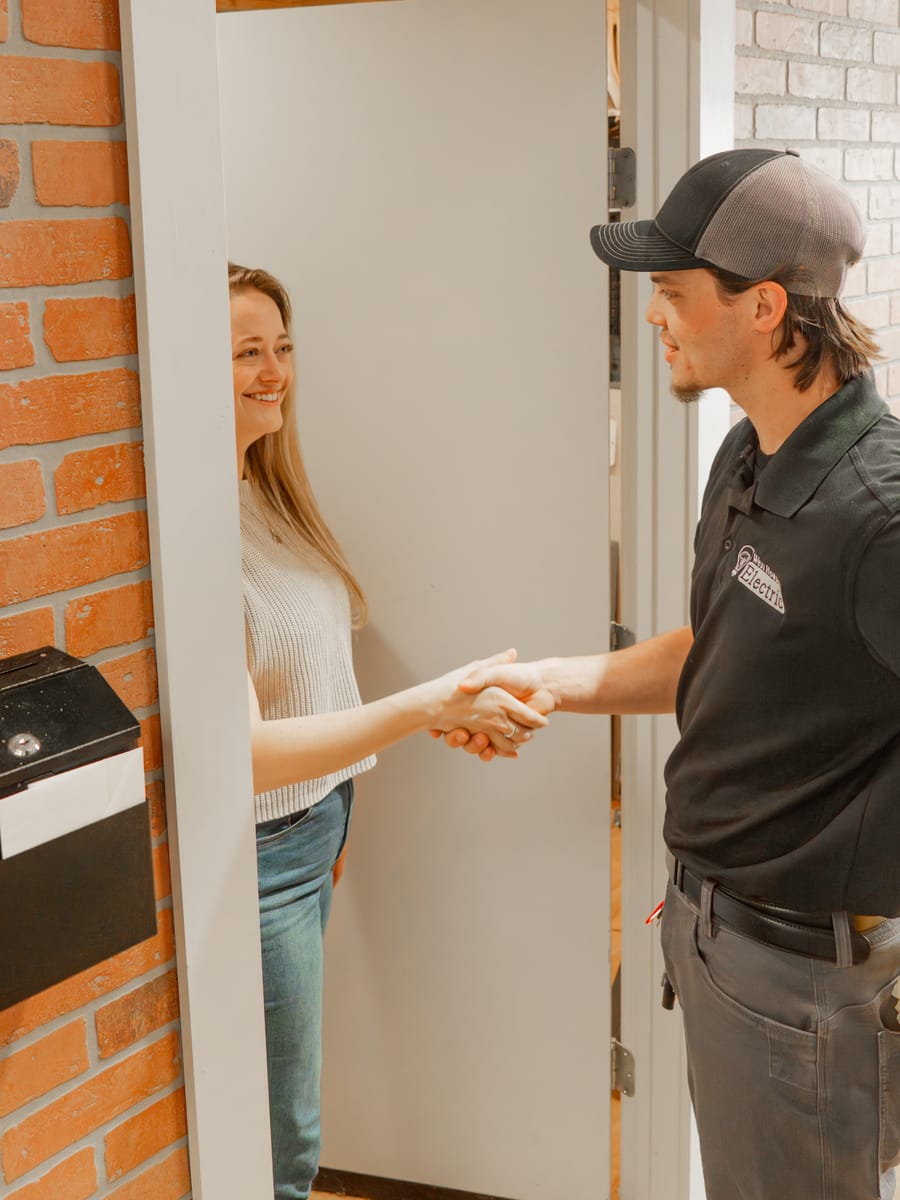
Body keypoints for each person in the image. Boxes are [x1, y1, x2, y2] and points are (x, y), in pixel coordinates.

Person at [443, 149, 900, 1199]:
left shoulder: (879, 514)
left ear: (767, 307)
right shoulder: (746, 456)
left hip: (805, 981)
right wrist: (553, 683)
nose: (653, 316)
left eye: (674, 292)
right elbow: (718, 647)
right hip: (709, 933)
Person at [228, 262, 547, 1200]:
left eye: (282, 347)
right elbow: (242, 760)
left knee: (284, 1116)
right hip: (263, 852)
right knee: (289, 1141)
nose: (274, 369)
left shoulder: (264, 489)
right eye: (246, 351)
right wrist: (433, 705)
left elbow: (309, 678)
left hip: (316, 823)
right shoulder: (197, 531)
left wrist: (340, 807)